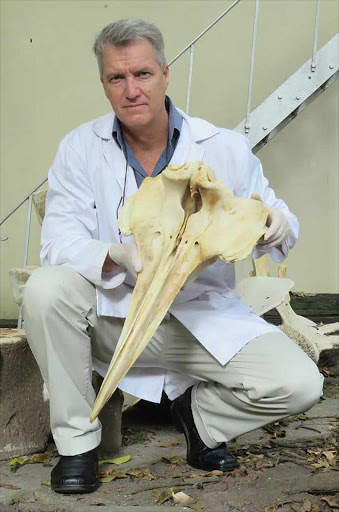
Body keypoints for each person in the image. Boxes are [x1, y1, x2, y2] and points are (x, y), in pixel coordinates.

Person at [22, 18, 323, 495]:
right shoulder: (80, 148)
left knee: (300, 384)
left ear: (165, 73)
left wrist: (273, 223)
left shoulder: (222, 147)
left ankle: (201, 418)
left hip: (199, 322)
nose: (131, 89)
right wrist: (116, 254)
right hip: (117, 317)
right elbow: (57, 243)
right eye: (116, 78)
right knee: (43, 290)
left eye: (142, 74)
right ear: (104, 83)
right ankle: (78, 443)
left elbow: (272, 214)